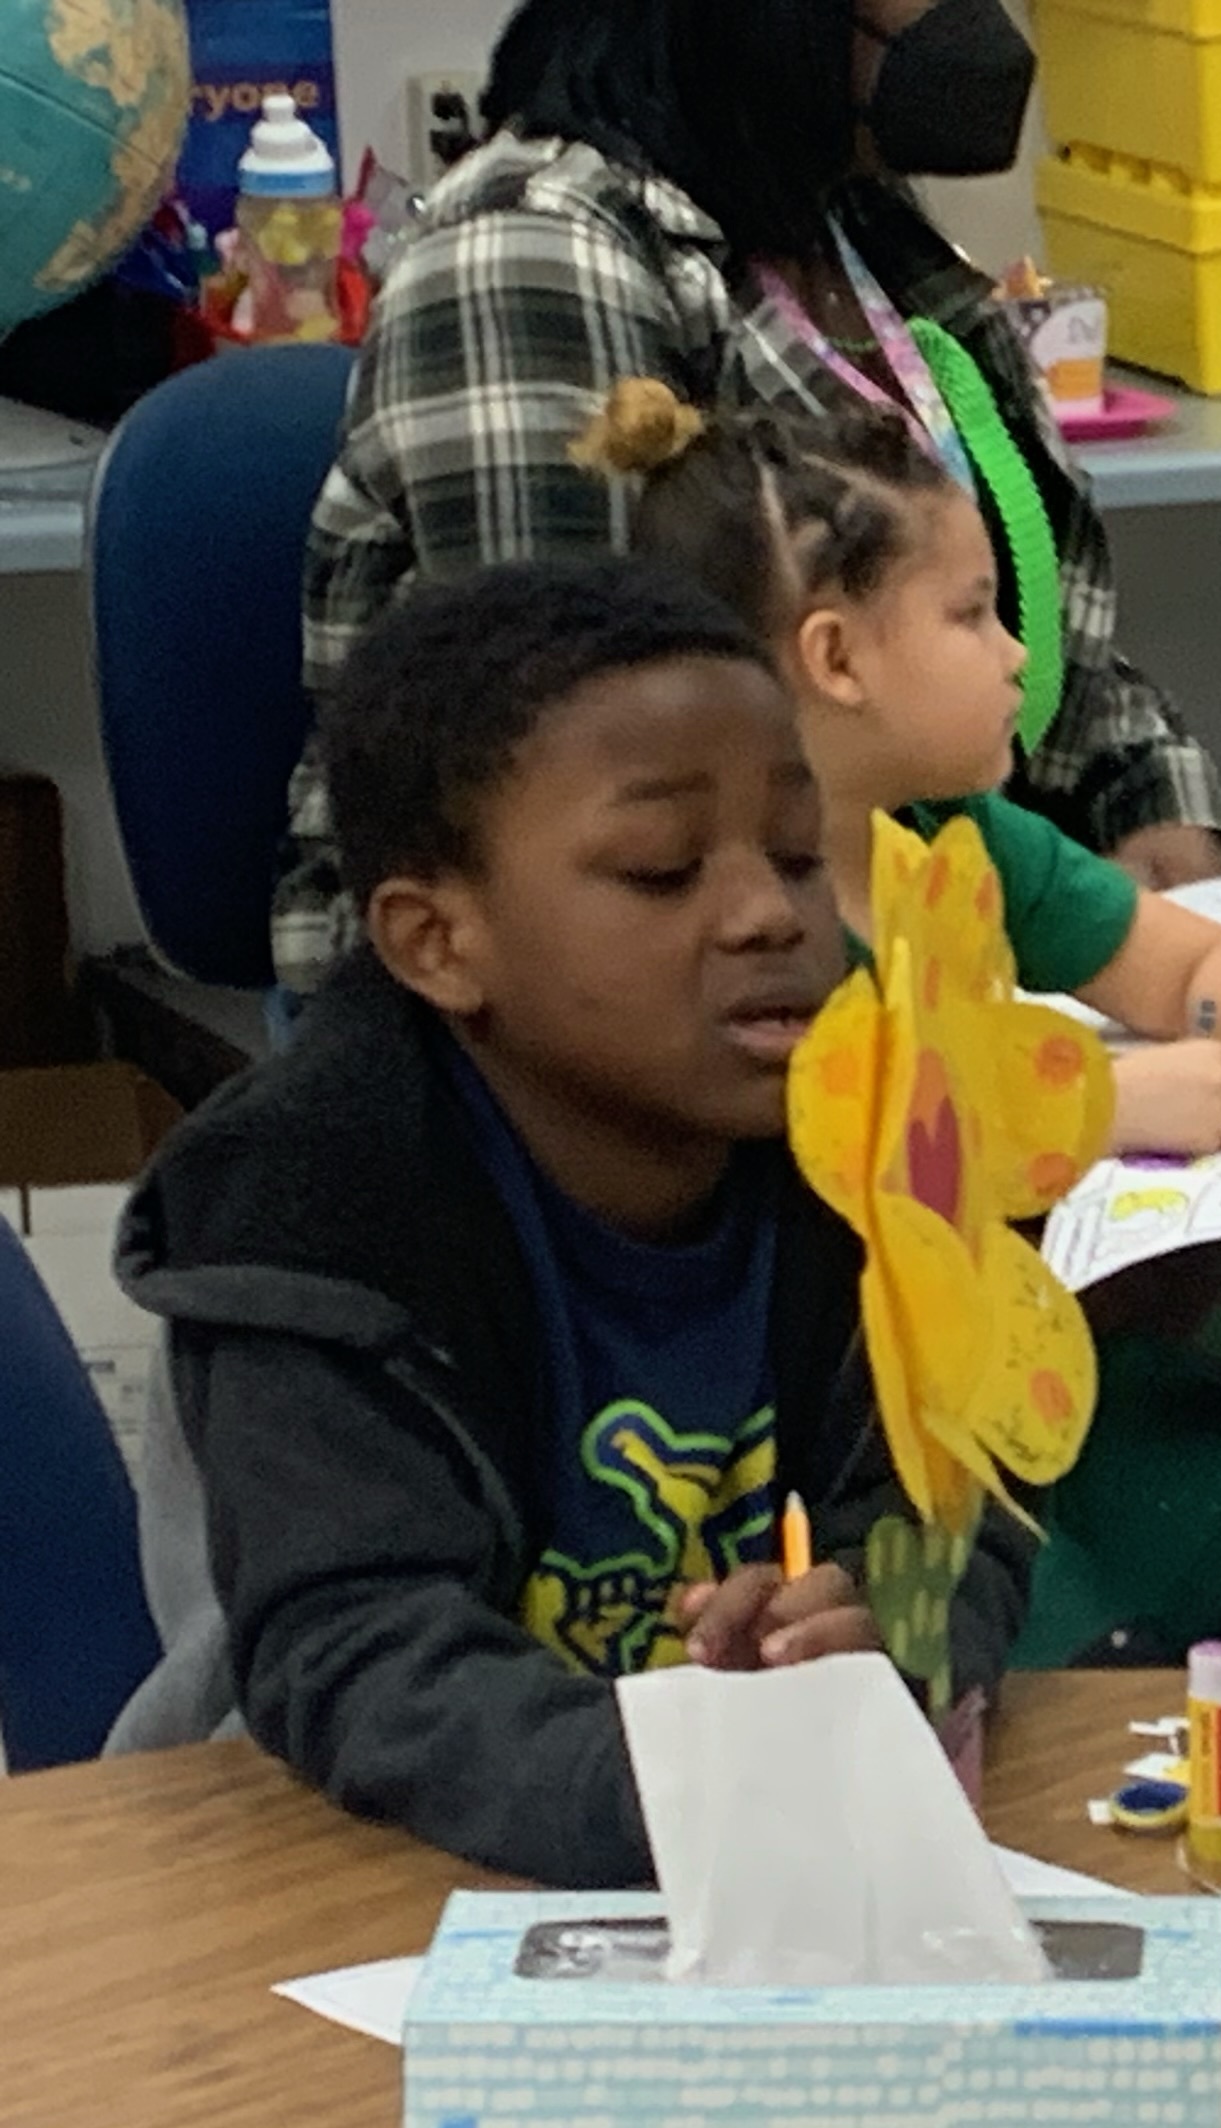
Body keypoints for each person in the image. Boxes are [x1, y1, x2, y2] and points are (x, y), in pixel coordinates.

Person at [110, 560, 1026, 1886]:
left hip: (742, 1877)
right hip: (326, 1878)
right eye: (662, 871)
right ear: (438, 943)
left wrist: (882, 1626)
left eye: (793, 853)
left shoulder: (866, 1149)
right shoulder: (314, 1222)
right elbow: (357, 1659)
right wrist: (688, 1783)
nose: (767, 914)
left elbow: (961, 1510)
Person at [584, 379, 1221, 1675]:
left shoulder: (953, 837)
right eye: (971, 614)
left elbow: (1205, 961)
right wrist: (1094, 1108)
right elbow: (814, 1177)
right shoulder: (720, 929)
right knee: (1105, 1636)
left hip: (994, 1392)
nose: (1019, 655)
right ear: (836, 660)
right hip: (842, 1456)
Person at [274, 0, 1221, 998]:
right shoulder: (535, 247)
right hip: (631, 1002)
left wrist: (1156, 806)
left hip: (953, 893)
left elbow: (1003, 598)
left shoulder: (855, 227)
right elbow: (586, 764)